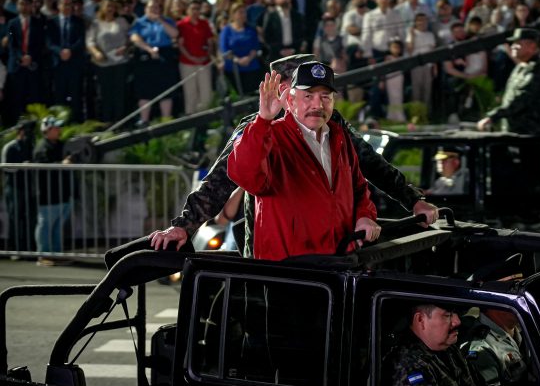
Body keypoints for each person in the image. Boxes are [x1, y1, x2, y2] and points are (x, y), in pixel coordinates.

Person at [146, 54, 438, 259]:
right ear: (285, 90)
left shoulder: (332, 124)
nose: (315, 101)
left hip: (332, 253)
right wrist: (185, 225)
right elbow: (222, 179)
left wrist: (411, 199)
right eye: (304, 90)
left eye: (322, 94)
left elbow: (368, 167)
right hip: (275, 250)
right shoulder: (259, 126)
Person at [227, 62, 380, 260]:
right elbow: (247, 177)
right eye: (308, 96)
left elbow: (358, 188)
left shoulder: (338, 136)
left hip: (338, 262)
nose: (318, 105)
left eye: (325, 96)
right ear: (289, 101)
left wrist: (364, 216)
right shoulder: (271, 135)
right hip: (290, 271)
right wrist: (263, 120)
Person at [388, 302, 484, 386]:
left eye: (455, 313)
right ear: (421, 320)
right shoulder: (409, 365)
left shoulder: (450, 349)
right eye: (447, 315)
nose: (457, 321)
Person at [477, 27, 540, 135]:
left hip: (530, 132)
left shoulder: (536, 70)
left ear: (532, 46)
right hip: (514, 130)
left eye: (518, 43)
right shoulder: (520, 67)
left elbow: (521, 100)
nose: (513, 47)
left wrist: (493, 116)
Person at [129, 0, 180, 127]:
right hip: (146, 56)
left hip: (164, 56)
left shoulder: (166, 20)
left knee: (166, 90)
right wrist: (148, 49)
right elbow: (134, 38)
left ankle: (166, 121)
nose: (154, 10)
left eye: (157, 7)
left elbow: (174, 34)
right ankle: (144, 121)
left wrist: (160, 20)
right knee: (145, 90)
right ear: (146, 9)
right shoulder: (139, 22)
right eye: (151, 8)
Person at [33, 116, 73, 265]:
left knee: (57, 227)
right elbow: (43, 167)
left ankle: (56, 254)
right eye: (55, 128)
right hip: (48, 196)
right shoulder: (41, 147)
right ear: (47, 130)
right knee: (45, 226)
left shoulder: (61, 145)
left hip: (63, 194)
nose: (59, 130)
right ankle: (43, 256)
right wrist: (61, 164)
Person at [86, 0, 130, 123]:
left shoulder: (121, 21)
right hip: (103, 64)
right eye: (107, 6)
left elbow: (130, 37)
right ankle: (106, 122)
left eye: (112, 6)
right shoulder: (96, 23)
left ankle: (120, 121)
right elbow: (89, 41)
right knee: (105, 94)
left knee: (119, 93)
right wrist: (96, 52)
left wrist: (126, 47)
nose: (110, 9)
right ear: (102, 8)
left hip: (120, 62)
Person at [1, 119, 36, 252]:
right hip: (13, 187)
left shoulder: (30, 146)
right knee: (15, 218)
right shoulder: (10, 147)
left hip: (27, 187)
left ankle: (28, 247)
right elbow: (5, 167)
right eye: (26, 131)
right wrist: (20, 167)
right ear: (20, 132)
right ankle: (15, 249)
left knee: (29, 217)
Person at [177, 0, 215, 114]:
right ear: (188, 10)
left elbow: (210, 42)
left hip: (204, 62)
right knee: (190, 93)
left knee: (206, 93)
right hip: (187, 63)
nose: (195, 11)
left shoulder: (204, 23)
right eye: (192, 9)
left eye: (197, 9)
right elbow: (180, 45)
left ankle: (205, 118)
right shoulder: (182, 24)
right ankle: (190, 120)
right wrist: (191, 57)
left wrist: (207, 54)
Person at [219, 3, 263, 96]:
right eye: (240, 12)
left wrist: (248, 59)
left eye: (244, 12)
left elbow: (255, 47)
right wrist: (238, 60)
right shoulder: (226, 30)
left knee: (254, 95)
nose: (243, 15)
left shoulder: (250, 29)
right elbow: (224, 49)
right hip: (234, 69)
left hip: (251, 67)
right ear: (233, 14)